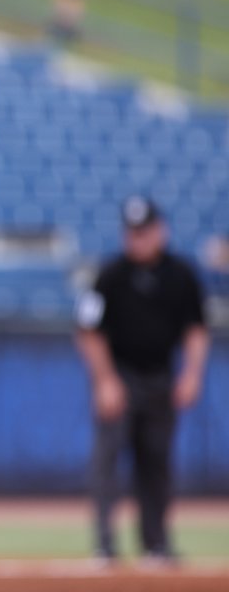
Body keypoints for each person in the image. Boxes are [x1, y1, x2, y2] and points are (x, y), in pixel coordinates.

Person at [74, 197, 210, 566]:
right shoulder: (110, 274)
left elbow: (196, 330)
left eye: (145, 231)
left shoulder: (180, 274)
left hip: (160, 378)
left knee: (157, 462)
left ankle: (157, 545)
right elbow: (88, 331)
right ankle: (104, 546)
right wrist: (104, 381)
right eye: (132, 232)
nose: (139, 239)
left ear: (160, 231)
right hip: (121, 375)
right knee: (107, 461)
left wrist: (192, 375)